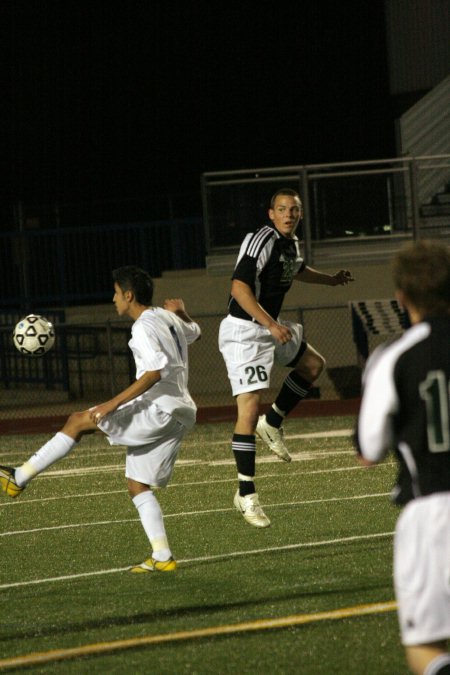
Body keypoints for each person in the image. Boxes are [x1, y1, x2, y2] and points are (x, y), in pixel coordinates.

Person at [0, 265, 201, 573]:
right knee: (137, 485)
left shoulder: (143, 327)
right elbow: (195, 333)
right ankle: (162, 556)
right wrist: (183, 313)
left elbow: (154, 372)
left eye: (117, 292)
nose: (113, 298)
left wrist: (111, 403)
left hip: (159, 409)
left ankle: (19, 478)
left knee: (78, 420)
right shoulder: (167, 316)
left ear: (129, 295)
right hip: (182, 412)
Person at [218, 188, 353, 528]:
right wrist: (270, 324)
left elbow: (299, 270)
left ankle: (273, 423)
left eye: (294, 209)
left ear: (300, 214)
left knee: (313, 365)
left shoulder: (290, 244)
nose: (289, 214)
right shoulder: (261, 239)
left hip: (269, 328)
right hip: (245, 332)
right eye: (282, 209)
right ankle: (245, 494)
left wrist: (332, 281)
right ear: (271, 214)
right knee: (247, 409)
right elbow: (238, 288)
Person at [356, 240, 450, 675]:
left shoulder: (394, 358)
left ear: (402, 297)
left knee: (426, 647)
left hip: (432, 513)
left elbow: (369, 448)